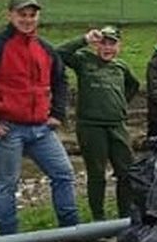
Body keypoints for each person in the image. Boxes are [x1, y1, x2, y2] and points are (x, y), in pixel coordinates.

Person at [0, 0, 80, 235]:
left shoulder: (44, 48)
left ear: (38, 17)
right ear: (10, 15)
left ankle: (72, 233)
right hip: (7, 128)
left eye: (32, 15)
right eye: (22, 15)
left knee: (64, 174)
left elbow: (60, 79)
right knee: (7, 184)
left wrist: (57, 113)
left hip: (41, 128)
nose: (27, 20)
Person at [56, 26, 140, 221]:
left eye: (112, 44)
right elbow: (59, 53)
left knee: (126, 172)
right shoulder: (84, 60)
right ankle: (98, 219)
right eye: (104, 43)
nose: (107, 48)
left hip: (117, 125)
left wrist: (120, 105)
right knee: (97, 174)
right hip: (91, 126)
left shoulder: (121, 67)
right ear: (97, 45)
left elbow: (133, 85)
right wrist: (84, 39)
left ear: (119, 46)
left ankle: (125, 217)